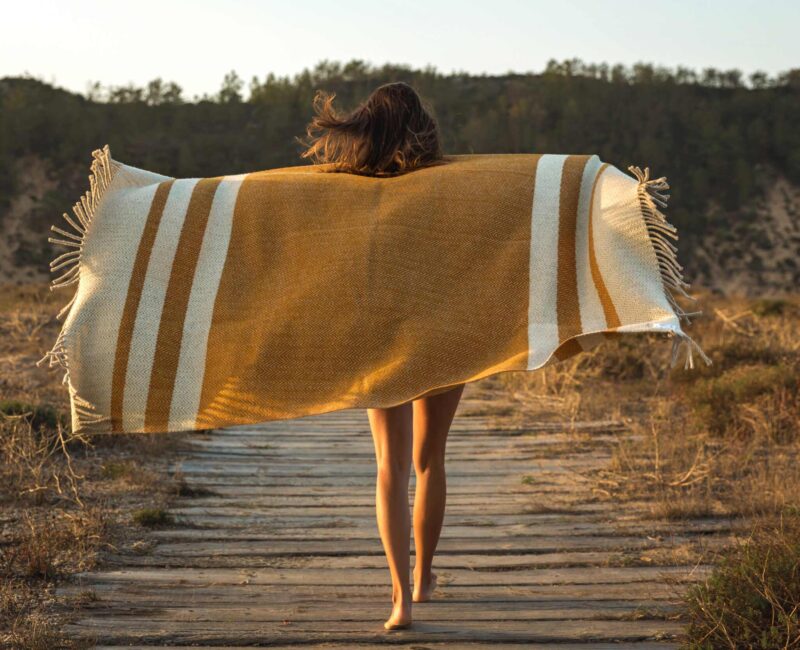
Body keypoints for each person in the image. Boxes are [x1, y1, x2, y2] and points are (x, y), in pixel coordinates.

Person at [300, 82, 466, 630]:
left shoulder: (350, 193)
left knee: (389, 467)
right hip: (442, 330)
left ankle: (402, 598)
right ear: (424, 128)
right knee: (429, 461)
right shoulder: (456, 188)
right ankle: (424, 576)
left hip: (380, 335)